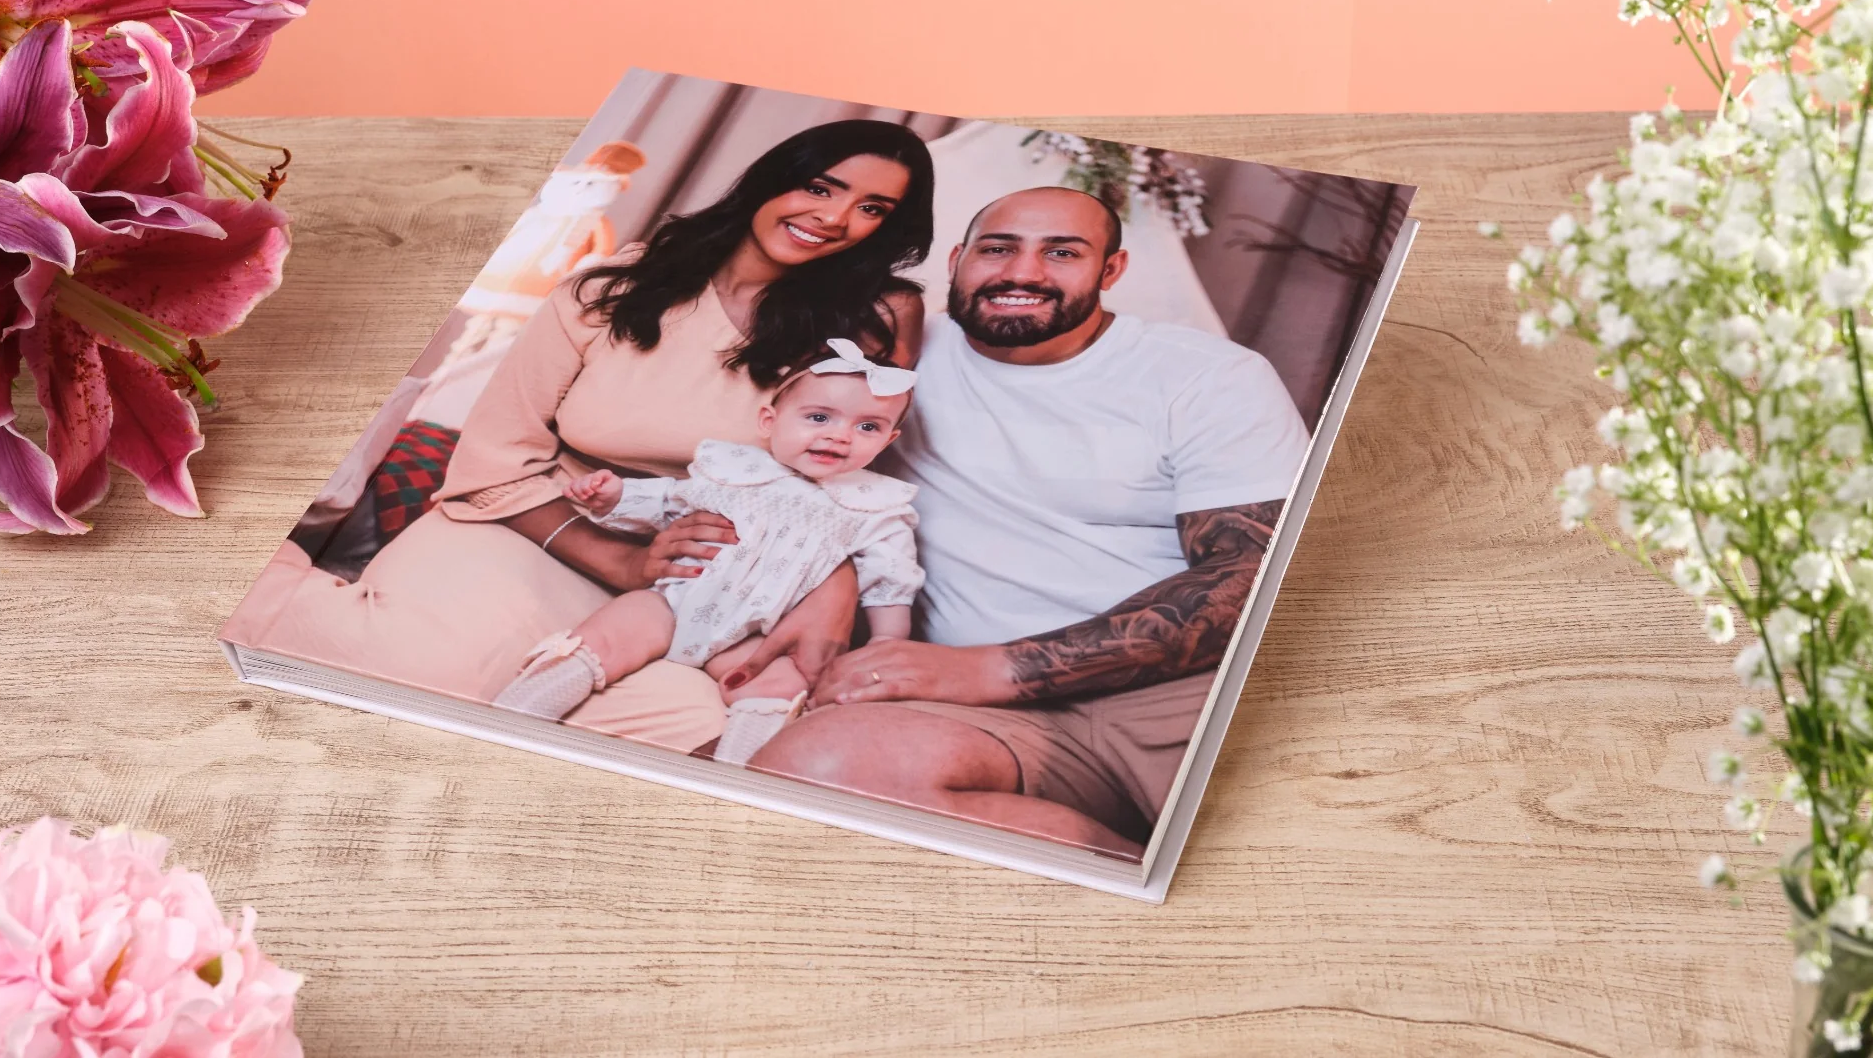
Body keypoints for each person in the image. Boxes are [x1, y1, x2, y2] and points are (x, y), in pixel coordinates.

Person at [220, 119, 936, 752]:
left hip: (710, 585)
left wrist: (833, 581)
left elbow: (852, 477)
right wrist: (619, 562)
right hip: (534, 524)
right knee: (425, 676)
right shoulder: (613, 290)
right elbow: (498, 454)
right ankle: (244, 576)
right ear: (773, 181)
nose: (837, 216)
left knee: (698, 734)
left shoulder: (855, 336)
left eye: (873, 208)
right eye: (820, 187)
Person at [747, 186, 1309, 855]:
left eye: (1062, 252)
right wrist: (833, 582)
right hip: (988, 719)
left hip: (1180, 693)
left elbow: (1253, 576)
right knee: (813, 766)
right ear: (956, 260)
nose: (1022, 273)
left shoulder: (1206, 376)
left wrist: (993, 669)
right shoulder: (890, 366)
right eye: (998, 248)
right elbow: (795, 464)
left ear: (1111, 272)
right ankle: (1130, 869)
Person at [491, 344, 923, 768]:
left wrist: (887, 642)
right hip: (675, 604)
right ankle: (513, 719)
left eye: (868, 427)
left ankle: (735, 775)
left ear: (890, 439)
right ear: (769, 421)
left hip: (760, 636)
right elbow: (670, 501)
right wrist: (613, 495)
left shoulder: (877, 506)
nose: (840, 434)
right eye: (818, 417)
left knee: (779, 683)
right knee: (614, 628)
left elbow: (891, 580)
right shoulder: (734, 468)